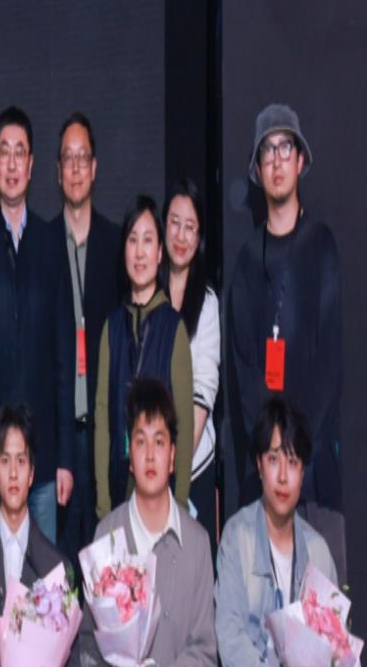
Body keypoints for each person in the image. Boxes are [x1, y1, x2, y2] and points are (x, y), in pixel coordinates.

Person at [223, 104, 345, 577]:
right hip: (264, 475)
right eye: (267, 151)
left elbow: (329, 363)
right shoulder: (246, 262)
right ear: (257, 170)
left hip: (314, 472)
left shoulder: (322, 246)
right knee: (264, 610)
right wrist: (274, 455)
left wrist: (296, 453)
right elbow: (244, 368)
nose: (276, 160)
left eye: (284, 148)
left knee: (322, 609)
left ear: (300, 160)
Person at [0, 106, 75, 543]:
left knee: (44, 574)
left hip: (43, 461)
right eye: (4, 153)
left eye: (20, 153)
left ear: (31, 165)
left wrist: (65, 457)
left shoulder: (51, 243)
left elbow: (64, 357)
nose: (11, 164)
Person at [75, 378, 215, 667]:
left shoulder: (197, 543)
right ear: (130, 456)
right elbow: (87, 643)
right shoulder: (107, 535)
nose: (150, 455)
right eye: (141, 442)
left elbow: (205, 650)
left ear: (173, 456)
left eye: (159, 442)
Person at [215, 398, 337, 664]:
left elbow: (332, 644)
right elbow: (230, 638)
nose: (282, 476)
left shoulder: (318, 553)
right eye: (273, 459)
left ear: (303, 472)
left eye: (292, 462)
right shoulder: (237, 538)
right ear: (259, 465)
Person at [93, 195, 193, 516]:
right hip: (118, 495)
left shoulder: (173, 327)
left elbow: (184, 425)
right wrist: (103, 505)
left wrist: (179, 506)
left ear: (160, 252)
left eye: (148, 240)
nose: (139, 252)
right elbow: (102, 418)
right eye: (132, 240)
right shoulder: (111, 327)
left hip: (163, 501)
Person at [54, 112, 125, 559]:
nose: (76, 168)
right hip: (59, 439)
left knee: (107, 560)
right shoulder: (43, 244)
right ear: (57, 170)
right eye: (68, 158)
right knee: (59, 568)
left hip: (105, 434)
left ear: (95, 168)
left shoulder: (117, 246)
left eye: (83, 158)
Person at [0, 405, 68, 667]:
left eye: (20, 461)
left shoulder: (55, 567)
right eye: (5, 460)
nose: (12, 473)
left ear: (31, 474)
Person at [164, 177, 222, 547]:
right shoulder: (146, 294)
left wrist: (176, 458)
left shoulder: (208, 302)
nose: (181, 235)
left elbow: (204, 390)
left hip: (194, 464)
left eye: (190, 226)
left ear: (199, 237)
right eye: (174, 223)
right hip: (149, 466)